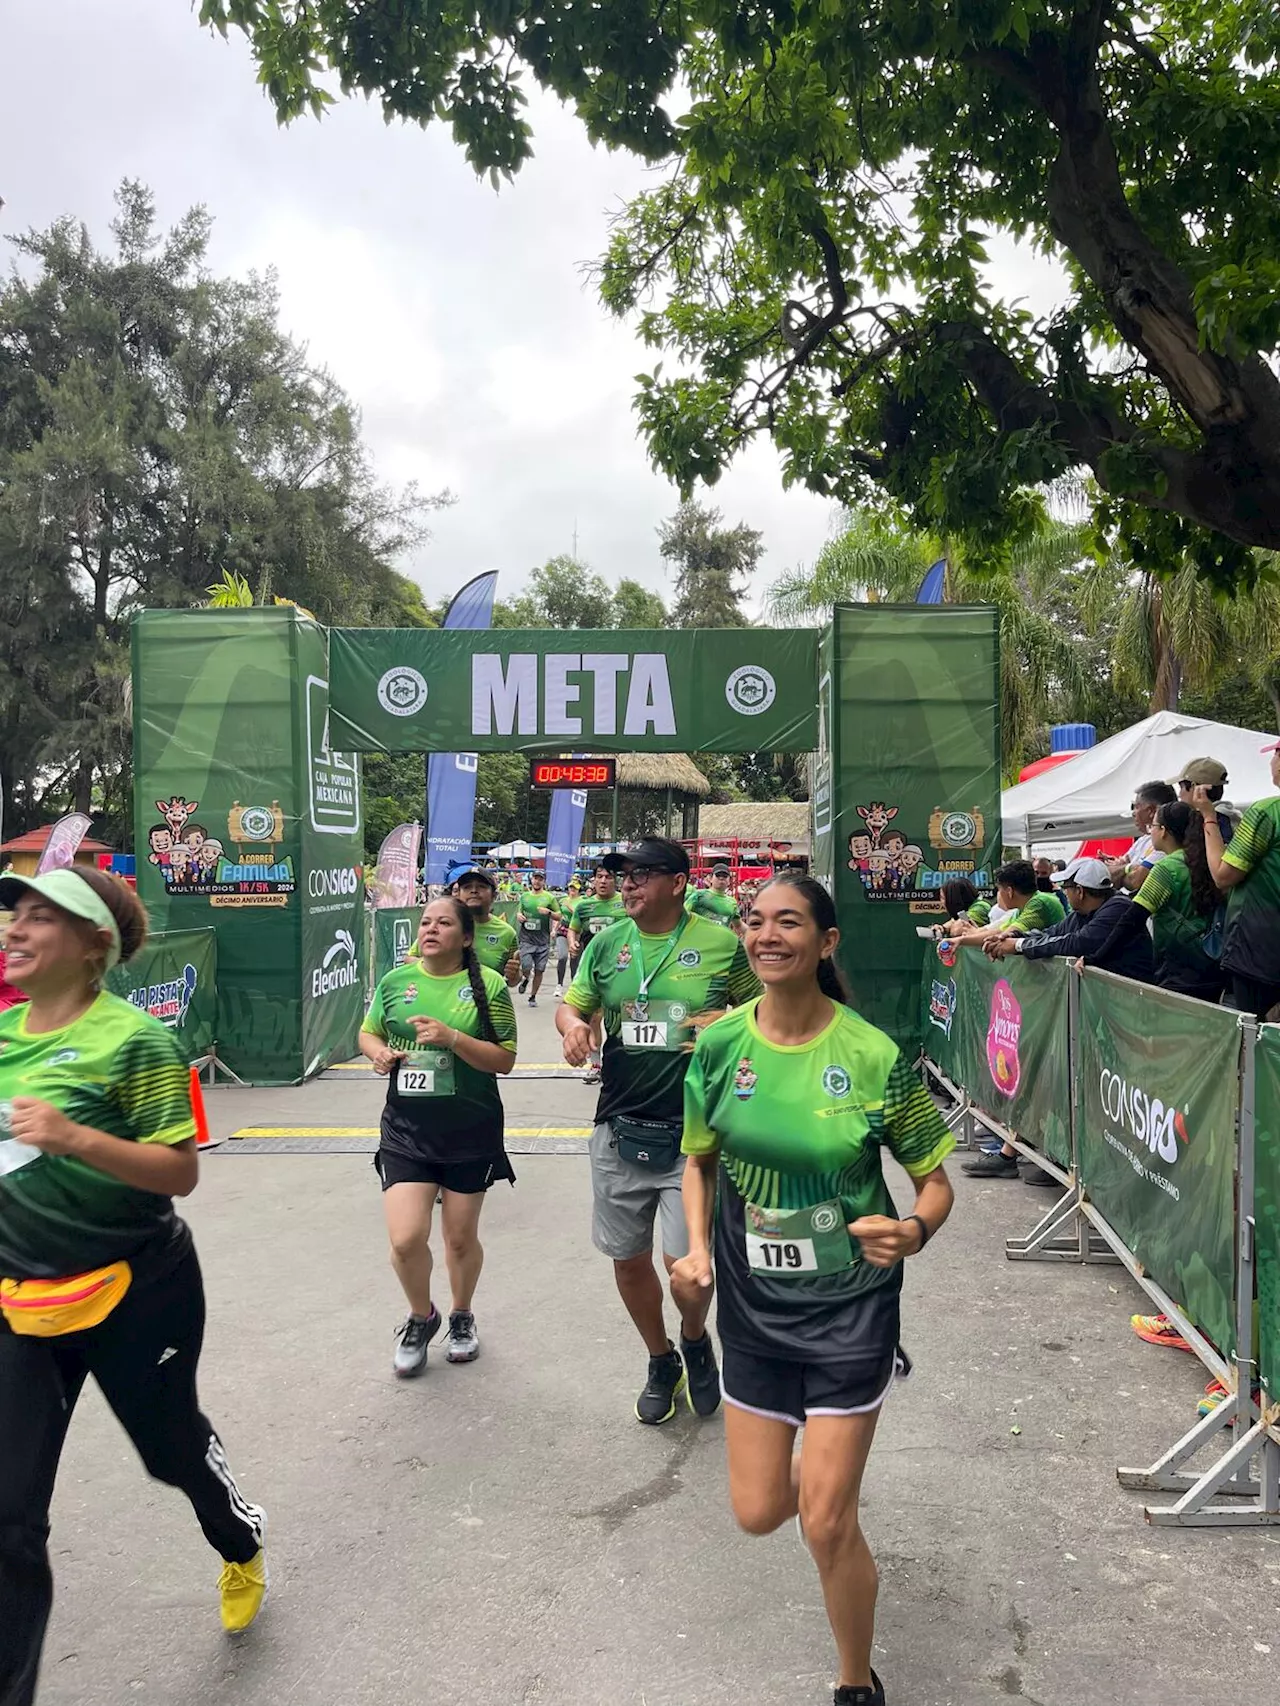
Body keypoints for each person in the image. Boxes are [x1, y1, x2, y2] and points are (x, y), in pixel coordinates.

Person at [675, 874, 954, 1706]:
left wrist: (911, 1232)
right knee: (760, 1513)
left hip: (851, 1312)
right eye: (755, 921)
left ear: (825, 943)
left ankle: (854, 1681)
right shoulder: (722, 1045)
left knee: (827, 1522)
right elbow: (699, 1159)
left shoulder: (871, 1055)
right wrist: (695, 1250)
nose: (766, 935)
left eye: (788, 922)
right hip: (755, 1312)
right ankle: (802, 1454)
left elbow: (935, 1182)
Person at [0, 868, 266, 1705]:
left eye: (42, 917)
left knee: (170, 1451)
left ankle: (238, 1539)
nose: (16, 929)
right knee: (7, 1516)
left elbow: (179, 1172)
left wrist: (73, 1135)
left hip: (135, 1289)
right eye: (15, 914)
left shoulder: (136, 1041)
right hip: (20, 1299)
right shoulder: (3, 1034)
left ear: (93, 947)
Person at [556, 838, 761, 1424]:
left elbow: (763, 1015)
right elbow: (574, 1005)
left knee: (688, 1271)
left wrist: (721, 1026)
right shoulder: (608, 943)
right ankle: (661, 1356)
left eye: (642, 875)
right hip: (619, 1126)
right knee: (626, 1261)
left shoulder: (723, 944)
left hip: (695, 1136)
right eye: (624, 876)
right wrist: (572, 1028)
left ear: (678, 882)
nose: (628, 885)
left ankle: (695, 1337)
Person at [359, 896, 518, 1376]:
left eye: (444, 923)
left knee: (460, 1238)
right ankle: (420, 1315)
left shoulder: (487, 985)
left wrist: (454, 1039)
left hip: (470, 1129)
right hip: (407, 1130)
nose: (430, 929)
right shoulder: (395, 982)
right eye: (425, 922)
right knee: (407, 1239)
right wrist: (379, 1054)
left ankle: (462, 1314)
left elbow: (504, 1059)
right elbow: (366, 1034)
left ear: (465, 937)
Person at [967, 858, 1153, 1180]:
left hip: (1127, 1022)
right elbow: (1054, 933)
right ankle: (1048, 1157)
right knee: (1060, 1080)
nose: (1063, 892)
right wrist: (1015, 936)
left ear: (1079, 891)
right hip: (1101, 1017)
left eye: (1066, 887)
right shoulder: (1082, 913)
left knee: (1101, 1100)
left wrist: (1018, 945)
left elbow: (1074, 944)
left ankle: (1076, 1166)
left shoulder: (1116, 909)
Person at [1193, 741, 1280, 1018]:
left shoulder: (1266, 813)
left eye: (1275, 755)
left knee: (1259, 1037)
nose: (1270, 763)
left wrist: (1208, 816)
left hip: (1260, 949)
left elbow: (1222, 874)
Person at [1128, 802, 1224, 1001]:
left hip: (1177, 967)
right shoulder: (1207, 859)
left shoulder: (1166, 868)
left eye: (1152, 826)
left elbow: (1133, 917)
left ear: (1163, 831)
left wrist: (1095, 956)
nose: (1150, 832)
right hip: (1212, 961)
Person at [568, 866, 628, 1085]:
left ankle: (625, 1062)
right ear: (593, 881)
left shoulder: (625, 903)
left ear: (615, 880)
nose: (603, 881)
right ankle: (596, 1064)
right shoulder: (584, 906)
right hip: (594, 972)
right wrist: (572, 942)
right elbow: (573, 929)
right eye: (599, 877)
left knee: (623, 1017)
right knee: (594, 1018)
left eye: (608, 876)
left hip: (624, 970)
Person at [950, 860, 1064, 946]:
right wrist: (974, 934)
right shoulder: (1021, 909)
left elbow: (1003, 935)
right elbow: (999, 930)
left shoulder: (1039, 903)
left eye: (999, 889)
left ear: (1009, 891)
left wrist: (961, 940)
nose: (999, 894)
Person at [448, 864, 520, 981]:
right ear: (458, 894)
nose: (474, 891)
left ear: (494, 895)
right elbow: (411, 958)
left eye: (481, 886)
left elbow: (512, 980)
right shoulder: (443, 924)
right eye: (467, 887)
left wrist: (514, 975)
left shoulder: (507, 933)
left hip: (488, 998)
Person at [1107, 781, 1177, 891]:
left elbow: (1135, 881)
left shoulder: (1165, 842)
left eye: (1136, 807)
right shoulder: (1143, 839)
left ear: (1151, 811)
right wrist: (1126, 867)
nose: (1133, 813)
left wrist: (1125, 869)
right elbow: (1114, 871)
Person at [515, 869, 559, 1007]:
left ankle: (532, 996)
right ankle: (526, 978)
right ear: (531, 879)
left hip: (542, 940)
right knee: (526, 965)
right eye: (535, 878)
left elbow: (559, 916)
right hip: (527, 938)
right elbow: (518, 912)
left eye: (540, 879)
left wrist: (549, 913)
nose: (537, 881)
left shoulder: (549, 898)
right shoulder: (525, 897)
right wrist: (519, 916)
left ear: (544, 881)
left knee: (540, 970)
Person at [686, 863, 741, 929]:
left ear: (729, 881)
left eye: (725, 876)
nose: (721, 878)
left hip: (721, 938)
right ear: (711, 878)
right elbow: (682, 914)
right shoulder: (699, 895)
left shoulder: (732, 902)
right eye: (718, 875)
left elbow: (739, 925)